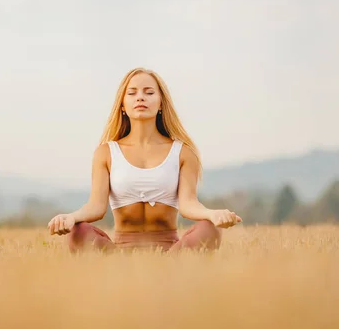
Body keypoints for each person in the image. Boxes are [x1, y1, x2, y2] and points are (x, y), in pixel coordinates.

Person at [47, 67, 242, 253]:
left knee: (210, 229)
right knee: (78, 232)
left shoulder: (183, 152)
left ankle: (168, 269)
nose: (140, 97)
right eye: (132, 93)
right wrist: (70, 218)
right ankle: (122, 270)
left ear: (161, 103)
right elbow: (96, 207)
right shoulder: (105, 152)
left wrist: (212, 214)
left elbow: (188, 204)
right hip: (118, 255)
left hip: (172, 253)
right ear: (122, 105)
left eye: (149, 92)